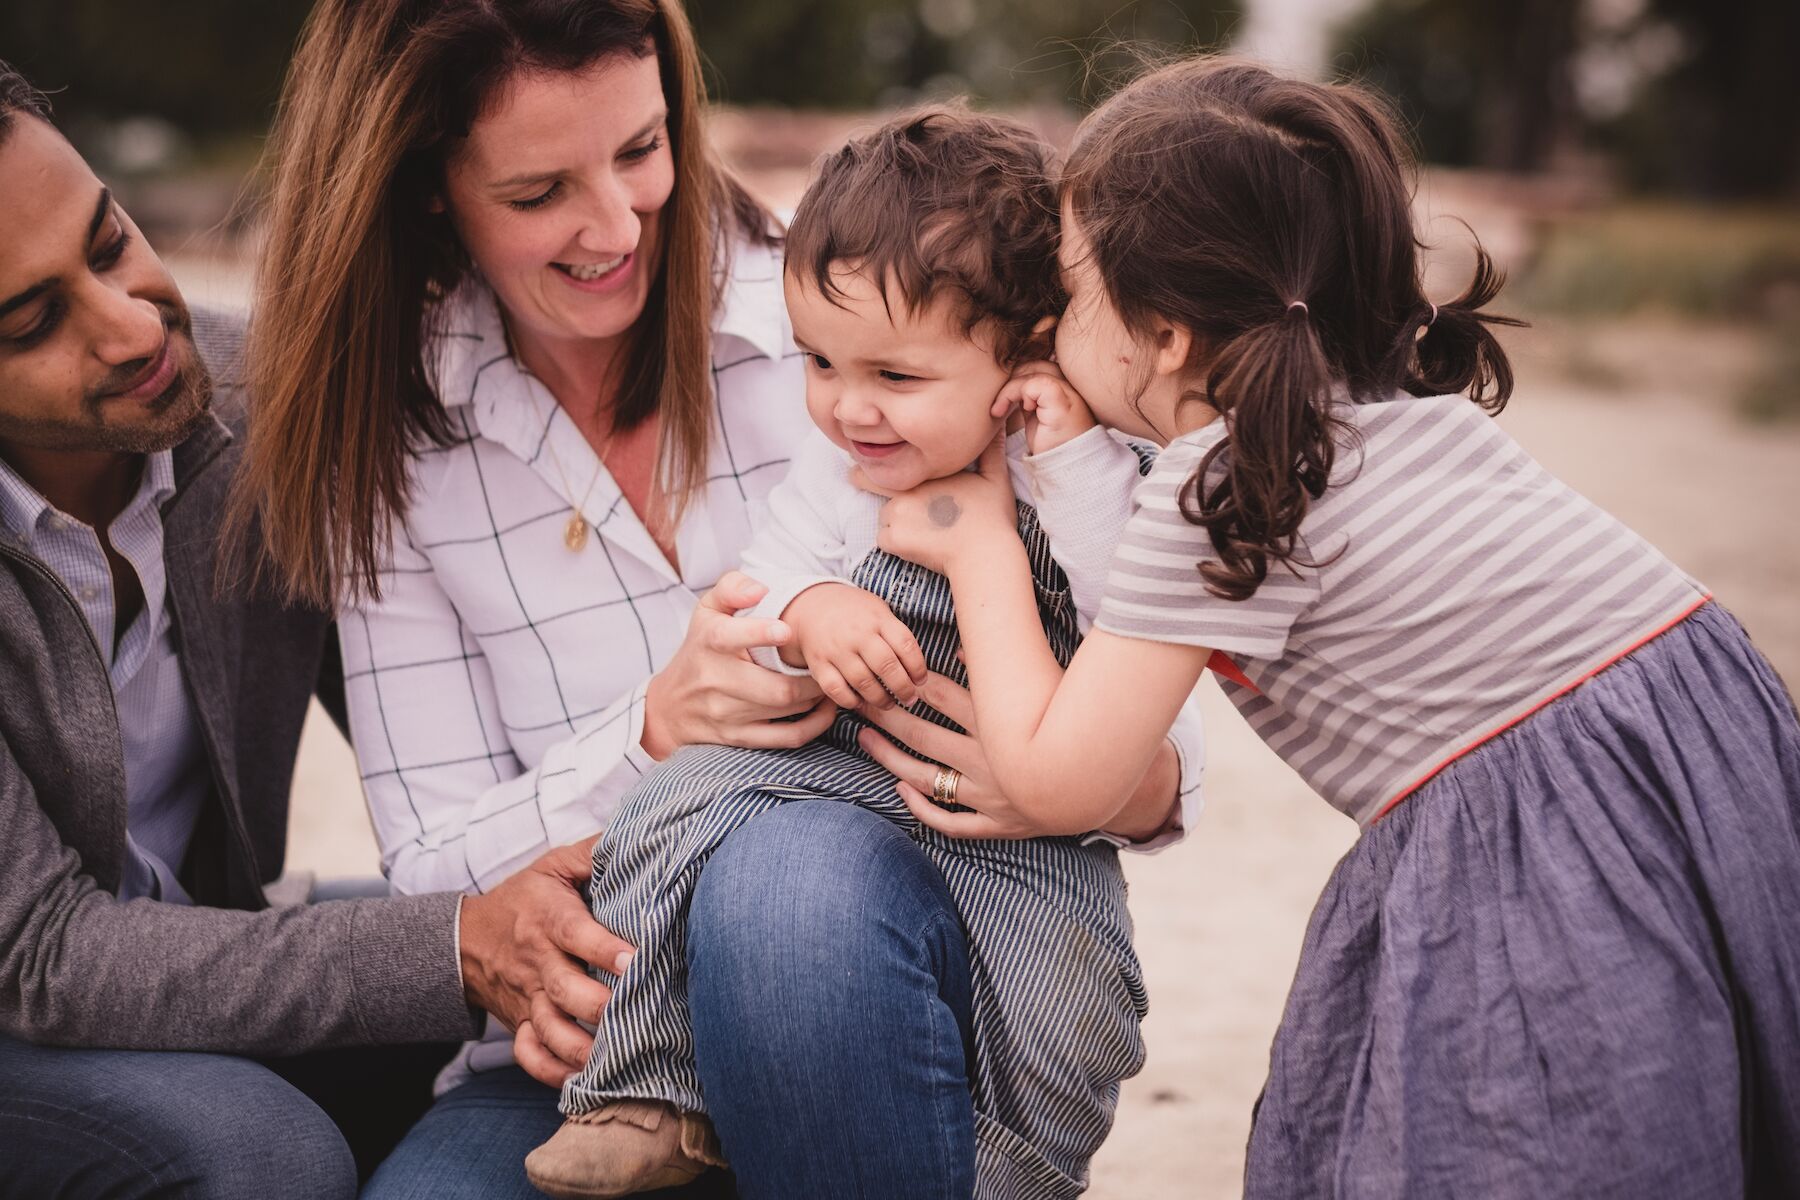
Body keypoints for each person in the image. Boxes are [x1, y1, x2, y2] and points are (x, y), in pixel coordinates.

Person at [237, 3, 1196, 1197]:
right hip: (580, 1045)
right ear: (426, 186)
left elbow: (1158, 697)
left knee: (792, 882)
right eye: (539, 193)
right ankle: (655, 1089)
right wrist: (651, 734)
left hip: (865, 997)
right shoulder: (393, 444)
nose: (614, 223)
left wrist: (1077, 768)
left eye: (643, 151)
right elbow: (435, 878)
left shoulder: (881, 290)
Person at [873, 57, 1800, 1198]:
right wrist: (1073, 460)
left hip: (1537, 830)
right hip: (1705, 757)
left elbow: (1064, 777)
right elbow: (1165, 605)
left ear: (1164, 336)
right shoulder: (1378, 425)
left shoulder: (1217, 484)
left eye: (1072, 286)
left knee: (1531, 1133)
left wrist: (979, 551)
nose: (1054, 318)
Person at [527, 107, 1205, 1200]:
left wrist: (1072, 463)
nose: (846, 408)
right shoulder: (843, 466)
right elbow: (766, 580)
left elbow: (1142, 650)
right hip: (834, 777)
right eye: (820, 362)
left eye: (895, 376)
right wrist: (817, 609)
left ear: (1026, 351)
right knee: (671, 801)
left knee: (1060, 1001)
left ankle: (1009, 1173)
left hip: (1021, 835)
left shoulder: (1087, 474)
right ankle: (651, 1086)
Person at [0, 59, 637, 1200]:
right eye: (33, 321)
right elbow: (41, 954)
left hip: (198, 940)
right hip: (22, 1012)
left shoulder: (260, 403)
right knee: (260, 1156)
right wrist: (453, 947)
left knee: (575, 977)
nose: (134, 322)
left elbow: (430, 727)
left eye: (109, 243)